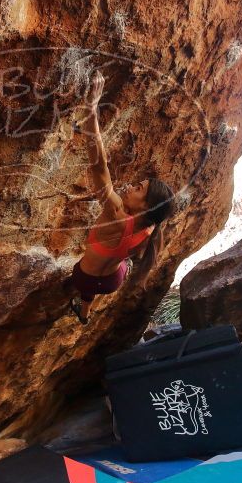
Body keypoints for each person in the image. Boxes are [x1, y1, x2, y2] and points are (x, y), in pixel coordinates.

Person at [64, 72, 175, 324]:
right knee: (95, 284)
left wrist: (92, 109)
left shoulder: (115, 214)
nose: (131, 186)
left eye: (139, 189)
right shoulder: (150, 228)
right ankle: (84, 313)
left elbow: (99, 167)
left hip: (85, 276)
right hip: (113, 281)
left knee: (85, 284)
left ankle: (83, 307)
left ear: (144, 207)